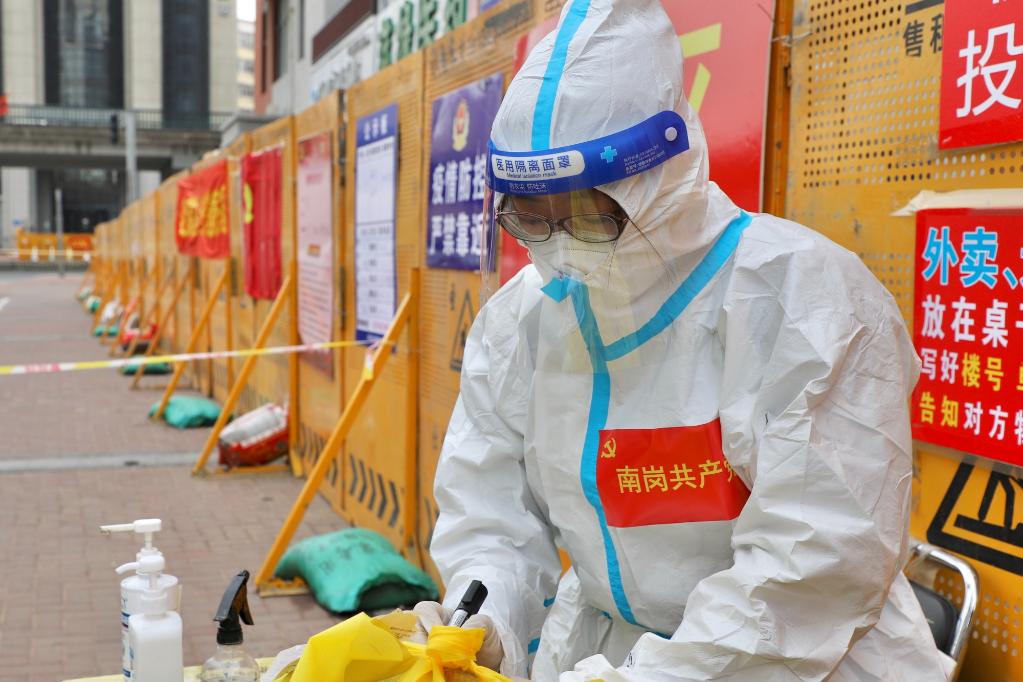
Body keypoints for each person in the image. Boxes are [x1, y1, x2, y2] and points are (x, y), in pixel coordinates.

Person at [415, 0, 956, 680]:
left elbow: (814, 567)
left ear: (659, 174)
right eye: (530, 217)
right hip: (607, 653)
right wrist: (485, 619)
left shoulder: (800, 296)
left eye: (586, 213)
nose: (559, 244)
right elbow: (490, 512)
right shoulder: (520, 320)